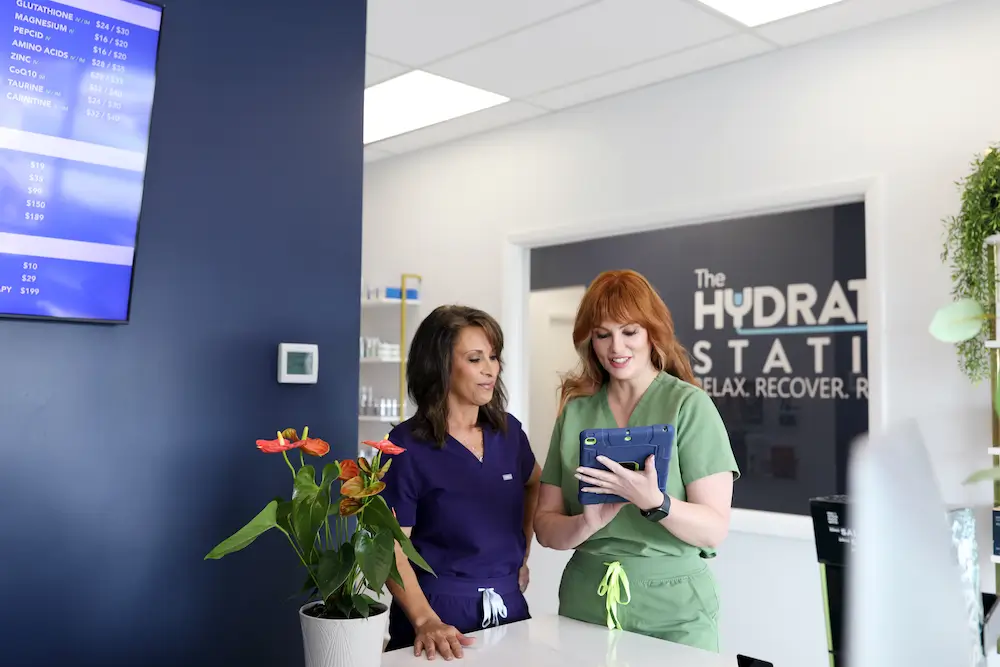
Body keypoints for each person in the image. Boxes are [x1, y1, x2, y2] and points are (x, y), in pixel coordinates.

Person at [533, 269, 739, 653]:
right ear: (589, 340)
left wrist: (656, 503)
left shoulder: (689, 407)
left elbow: (713, 530)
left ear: (651, 333)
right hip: (586, 601)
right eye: (603, 334)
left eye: (630, 331)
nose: (616, 347)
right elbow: (545, 528)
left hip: (674, 610)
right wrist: (587, 522)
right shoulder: (575, 412)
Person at [380, 304, 542, 660]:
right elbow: (389, 549)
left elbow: (535, 483)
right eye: (475, 358)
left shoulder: (509, 432)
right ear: (439, 366)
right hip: (438, 616)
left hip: (509, 605)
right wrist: (425, 620)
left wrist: (522, 551)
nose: (490, 370)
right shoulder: (405, 446)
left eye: (494, 357)